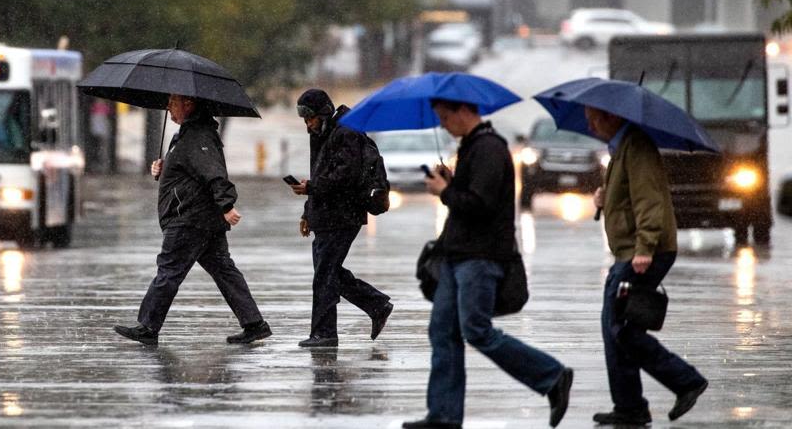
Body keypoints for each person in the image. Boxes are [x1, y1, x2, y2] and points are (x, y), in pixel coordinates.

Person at [404, 98, 573, 429]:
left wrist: (445, 192)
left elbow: (480, 205)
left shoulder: (489, 149)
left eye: (445, 117)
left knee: (477, 330)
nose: (443, 125)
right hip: (458, 255)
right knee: (442, 331)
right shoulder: (473, 147)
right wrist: (452, 182)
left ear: (465, 111)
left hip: (479, 258)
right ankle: (443, 416)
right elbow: (472, 195)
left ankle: (552, 376)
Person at [114, 94, 272, 346]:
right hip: (200, 219)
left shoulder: (198, 136)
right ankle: (254, 324)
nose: (169, 108)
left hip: (190, 218)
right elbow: (190, 172)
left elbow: (214, 173)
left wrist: (227, 205)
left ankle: (148, 326)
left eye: (172, 103)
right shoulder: (188, 135)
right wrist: (163, 168)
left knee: (169, 270)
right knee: (224, 271)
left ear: (188, 104)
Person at [585, 106, 708, 426]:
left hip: (642, 252)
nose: (590, 123)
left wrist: (645, 248)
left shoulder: (636, 147)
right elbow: (628, 197)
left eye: (593, 116)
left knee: (621, 329)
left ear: (611, 116)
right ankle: (629, 407)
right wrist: (605, 197)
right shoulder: (621, 149)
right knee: (615, 329)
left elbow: (648, 200)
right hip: (629, 251)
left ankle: (685, 381)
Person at [289, 89, 393, 348]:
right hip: (325, 214)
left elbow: (345, 176)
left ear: (323, 113)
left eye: (310, 118)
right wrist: (307, 212)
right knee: (328, 272)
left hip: (343, 215)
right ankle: (376, 304)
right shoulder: (323, 133)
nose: (307, 124)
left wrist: (311, 188)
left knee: (325, 273)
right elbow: (321, 174)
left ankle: (325, 333)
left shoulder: (346, 132)